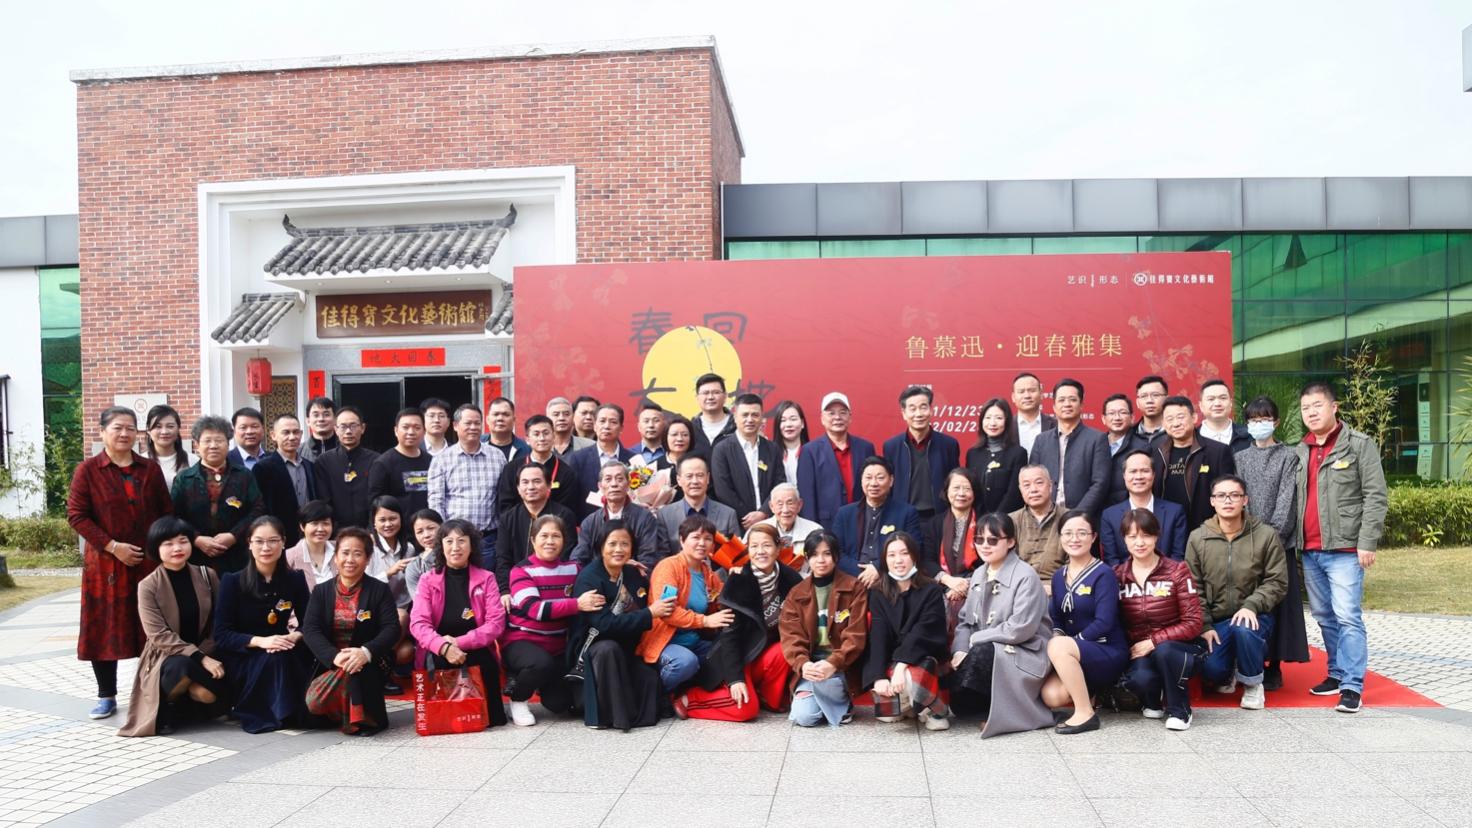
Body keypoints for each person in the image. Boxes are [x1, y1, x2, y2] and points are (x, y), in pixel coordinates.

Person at [68, 405, 173, 720]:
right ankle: (106, 695)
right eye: (117, 427)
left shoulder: (149, 469)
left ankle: (152, 691)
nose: (125, 433)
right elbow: (77, 516)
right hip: (106, 567)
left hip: (147, 563)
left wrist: (159, 550)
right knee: (104, 628)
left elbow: (165, 513)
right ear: (102, 432)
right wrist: (113, 547)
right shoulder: (88, 471)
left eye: (130, 428)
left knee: (151, 626)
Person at [1295, 381, 1388, 714]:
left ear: (1334, 407)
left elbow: (1375, 496)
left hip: (1346, 549)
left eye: (1317, 405)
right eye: (1305, 408)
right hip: (1310, 550)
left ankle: (1352, 685)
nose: (1311, 412)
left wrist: (1367, 542)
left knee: (1348, 616)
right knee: (1324, 615)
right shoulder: (1300, 450)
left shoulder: (1359, 445)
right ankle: (1336, 673)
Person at [676, 524, 801, 720]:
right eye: (754, 546)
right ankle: (691, 698)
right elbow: (729, 636)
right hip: (739, 655)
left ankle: (765, 697)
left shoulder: (790, 578)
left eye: (767, 545)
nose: (760, 551)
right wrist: (735, 679)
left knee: (785, 649)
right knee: (745, 711)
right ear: (748, 550)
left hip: (764, 651)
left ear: (778, 549)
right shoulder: (737, 582)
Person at [117, 516, 229, 737]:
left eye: (183, 541)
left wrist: (207, 651)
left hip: (208, 649)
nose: (177, 548)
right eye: (168, 544)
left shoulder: (207, 575)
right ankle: (169, 707)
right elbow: (159, 635)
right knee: (182, 667)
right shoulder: (148, 586)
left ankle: (188, 698)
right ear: (155, 549)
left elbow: (220, 620)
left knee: (208, 694)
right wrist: (200, 658)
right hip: (167, 655)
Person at [1186, 476, 1288, 711]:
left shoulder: (1265, 535)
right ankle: (1230, 668)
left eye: (1234, 495)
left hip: (1255, 616)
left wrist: (1252, 605)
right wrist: (1205, 625)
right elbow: (1193, 586)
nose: (1228, 501)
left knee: (1244, 628)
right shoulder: (1198, 538)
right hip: (1218, 621)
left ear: (1245, 500)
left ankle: (1252, 683)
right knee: (1211, 670)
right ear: (1212, 501)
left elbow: (1277, 581)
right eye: (1221, 495)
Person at [949, 513, 1054, 737]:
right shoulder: (979, 573)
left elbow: (1020, 629)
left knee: (984, 652)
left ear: (1011, 542)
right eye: (979, 540)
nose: (985, 545)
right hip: (982, 650)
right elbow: (965, 622)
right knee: (959, 704)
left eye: (993, 540)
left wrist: (975, 640)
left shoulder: (1026, 576)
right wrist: (960, 650)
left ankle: (998, 710)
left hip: (1025, 651)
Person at [568, 521, 675, 730]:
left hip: (627, 644)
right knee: (609, 649)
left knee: (648, 677)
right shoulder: (589, 579)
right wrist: (649, 613)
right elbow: (604, 624)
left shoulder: (633, 574)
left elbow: (644, 601)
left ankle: (635, 716)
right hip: (595, 646)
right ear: (601, 546)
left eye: (625, 544)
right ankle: (608, 716)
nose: (619, 549)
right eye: (612, 544)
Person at [212, 516, 313, 733]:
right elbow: (221, 634)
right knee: (275, 658)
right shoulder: (233, 581)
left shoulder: (295, 579)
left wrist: (294, 636)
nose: (266, 548)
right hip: (245, 653)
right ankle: (280, 713)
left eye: (273, 541)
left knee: (286, 656)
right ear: (249, 544)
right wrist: (260, 642)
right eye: (259, 541)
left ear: (283, 542)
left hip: (283, 646)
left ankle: (288, 711)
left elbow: (310, 622)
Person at [408, 520, 509, 728]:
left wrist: (459, 642)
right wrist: (444, 647)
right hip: (438, 649)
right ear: (441, 546)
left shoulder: (486, 578)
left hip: (476, 647)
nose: (455, 547)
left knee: (492, 716)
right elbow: (418, 623)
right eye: (449, 541)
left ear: (472, 546)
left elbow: (495, 624)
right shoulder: (427, 580)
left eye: (462, 541)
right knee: (440, 720)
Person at [1236, 395, 1307, 689]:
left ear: (1275, 422)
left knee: (1278, 604)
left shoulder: (1289, 456)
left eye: (1264, 419)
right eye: (1254, 420)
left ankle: (1275, 664)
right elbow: (1239, 499)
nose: (1259, 424)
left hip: (1279, 545)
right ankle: (1250, 662)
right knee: (1250, 602)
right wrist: (1248, 538)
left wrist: (1270, 538)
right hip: (1247, 545)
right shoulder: (1240, 458)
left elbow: (1286, 502)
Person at [302, 527, 401, 735]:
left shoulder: (379, 590)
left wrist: (365, 652)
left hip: (370, 661)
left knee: (356, 668)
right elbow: (310, 629)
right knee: (313, 703)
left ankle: (361, 718)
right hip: (333, 661)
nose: (350, 559)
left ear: (367, 559)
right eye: (345, 553)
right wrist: (334, 656)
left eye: (357, 554)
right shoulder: (321, 591)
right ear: (335, 557)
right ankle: (347, 711)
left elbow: (392, 628)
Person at [1115, 508, 1204, 731]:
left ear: (1157, 536)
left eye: (1146, 535)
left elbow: (1193, 622)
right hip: (1139, 649)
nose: (1139, 542)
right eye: (1132, 536)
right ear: (1124, 539)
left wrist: (1154, 641)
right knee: (1140, 679)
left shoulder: (1177, 571)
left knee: (1165, 651)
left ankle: (1180, 711)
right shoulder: (1117, 575)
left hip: (1179, 647)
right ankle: (1153, 698)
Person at [1041, 511, 1127, 735]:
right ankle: (1092, 691)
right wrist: (1060, 638)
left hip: (1106, 648)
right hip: (1075, 650)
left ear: (1093, 537)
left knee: (1059, 646)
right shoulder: (1059, 576)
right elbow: (1057, 618)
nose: (1074, 539)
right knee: (1052, 696)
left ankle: (1085, 713)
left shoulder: (1104, 574)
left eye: (1081, 533)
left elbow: (1105, 622)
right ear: (1060, 537)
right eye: (1068, 533)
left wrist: (1071, 643)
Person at [503, 514, 589, 726]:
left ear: (564, 541)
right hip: (521, 641)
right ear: (533, 540)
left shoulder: (574, 569)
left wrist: (623, 565)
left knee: (559, 704)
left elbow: (596, 577)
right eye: (544, 536)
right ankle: (518, 698)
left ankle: (539, 681)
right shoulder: (521, 571)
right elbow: (536, 610)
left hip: (557, 646)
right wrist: (577, 604)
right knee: (540, 663)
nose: (550, 541)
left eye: (556, 536)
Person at [636, 515, 736, 695]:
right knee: (685, 663)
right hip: (664, 643)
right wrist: (705, 621)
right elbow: (667, 612)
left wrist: (737, 577)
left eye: (708, 539)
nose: (702, 543)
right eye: (696, 537)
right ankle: (657, 697)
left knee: (730, 652)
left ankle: (688, 695)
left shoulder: (708, 574)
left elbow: (724, 600)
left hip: (694, 642)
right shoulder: (668, 567)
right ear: (682, 540)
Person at [779, 530, 869, 727]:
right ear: (806, 557)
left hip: (842, 666)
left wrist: (833, 663)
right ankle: (829, 701)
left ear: (836, 556)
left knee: (830, 682)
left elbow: (855, 636)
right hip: (811, 667)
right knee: (804, 718)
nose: (821, 560)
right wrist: (803, 664)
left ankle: (831, 696)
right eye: (814, 554)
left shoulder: (854, 587)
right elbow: (791, 636)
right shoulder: (796, 593)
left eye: (827, 554)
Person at [863, 532, 951, 729]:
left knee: (912, 678)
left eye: (904, 553)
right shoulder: (878, 592)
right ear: (884, 560)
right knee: (887, 716)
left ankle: (930, 709)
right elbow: (878, 635)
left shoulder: (931, 589)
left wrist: (901, 667)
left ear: (914, 556)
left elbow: (924, 632)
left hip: (924, 654)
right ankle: (911, 704)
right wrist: (878, 677)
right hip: (893, 657)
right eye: (892, 555)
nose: (898, 560)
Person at [172, 415, 265, 573]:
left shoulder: (244, 475)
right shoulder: (184, 478)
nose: (213, 446)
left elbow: (258, 509)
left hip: (237, 555)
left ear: (228, 444)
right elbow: (174, 515)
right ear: (197, 445)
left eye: (219, 440)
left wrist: (233, 536)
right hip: (195, 556)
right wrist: (196, 539)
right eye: (207, 441)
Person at [427, 404, 505, 558]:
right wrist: (445, 534)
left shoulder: (497, 456)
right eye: (468, 423)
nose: (473, 427)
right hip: (455, 541)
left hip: (488, 539)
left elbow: (503, 496)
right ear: (455, 426)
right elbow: (436, 501)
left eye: (477, 423)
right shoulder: (442, 460)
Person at [1028, 378, 1111, 519]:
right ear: (1054, 406)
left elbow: (1100, 484)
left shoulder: (1097, 439)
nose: (1067, 404)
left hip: (1083, 519)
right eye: (1061, 400)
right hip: (1046, 517)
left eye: (1072, 399)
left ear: (1081, 405)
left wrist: (1078, 515)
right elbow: (1033, 479)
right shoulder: (1041, 440)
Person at [832, 456, 922, 585]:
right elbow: (836, 551)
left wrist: (878, 568)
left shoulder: (906, 513)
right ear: (861, 481)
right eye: (868, 478)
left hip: (891, 579)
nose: (873, 483)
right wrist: (863, 573)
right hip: (852, 579)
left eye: (880, 478)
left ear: (891, 481)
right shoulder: (845, 513)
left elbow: (914, 548)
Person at [1151, 395, 1236, 531]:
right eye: (1169, 419)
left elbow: (1227, 492)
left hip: (1205, 528)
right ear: (1163, 423)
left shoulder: (1217, 452)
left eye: (1180, 417)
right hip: (1164, 527)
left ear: (1194, 418)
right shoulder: (1155, 452)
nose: (1176, 423)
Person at [493, 464, 580, 593]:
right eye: (525, 482)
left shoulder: (563, 515)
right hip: (517, 585)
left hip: (555, 583)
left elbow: (566, 554)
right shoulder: (508, 518)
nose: (531, 487)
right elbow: (503, 558)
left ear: (549, 485)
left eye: (537, 481)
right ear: (518, 488)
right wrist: (505, 590)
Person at [796, 391, 876, 528]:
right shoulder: (809, 451)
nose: (837, 417)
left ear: (850, 417)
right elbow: (807, 496)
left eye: (843, 412)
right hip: (826, 525)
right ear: (822, 418)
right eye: (831, 413)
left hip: (862, 522)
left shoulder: (865, 448)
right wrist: (812, 530)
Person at [882, 385, 960, 521]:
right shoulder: (891, 447)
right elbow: (888, 486)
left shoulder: (949, 445)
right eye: (912, 409)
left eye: (923, 407)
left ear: (931, 410)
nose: (918, 414)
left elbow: (954, 482)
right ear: (904, 413)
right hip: (903, 517)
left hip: (939, 517)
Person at [572, 460, 665, 570]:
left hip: (634, 576)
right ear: (600, 486)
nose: (614, 484)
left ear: (628, 484)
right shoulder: (590, 522)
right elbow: (578, 558)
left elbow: (648, 560)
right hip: (597, 577)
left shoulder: (645, 518)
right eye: (608, 479)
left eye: (620, 479)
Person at [1100, 451, 1188, 565]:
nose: (1139, 476)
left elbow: (1177, 557)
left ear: (1153, 475)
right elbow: (1112, 561)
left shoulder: (1175, 512)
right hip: (1124, 576)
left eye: (1145, 471)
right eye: (1133, 471)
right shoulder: (1110, 516)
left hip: (1168, 575)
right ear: (1124, 476)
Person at [711, 393, 785, 529]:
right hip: (736, 524)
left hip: (770, 521)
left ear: (761, 418)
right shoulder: (722, 449)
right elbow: (723, 490)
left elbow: (779, 483)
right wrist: (748, 517)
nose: (750, 420)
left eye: (755, 415)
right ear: (735, 417)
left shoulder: (772, 448)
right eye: (745, 415)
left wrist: (763, 512)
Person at [367, 495, 417, 686]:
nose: (388, 524)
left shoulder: (408, 548)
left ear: (401, 519)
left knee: (407, 651)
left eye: (393, 518)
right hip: (372, 611)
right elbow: (362, 584)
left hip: (400, 612)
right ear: (374, 522)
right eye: (382, 520)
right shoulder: (368, 546)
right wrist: (389, 572)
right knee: (401, 616)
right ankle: (381, 668)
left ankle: (379, 666)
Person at [920, 468, 981, 614]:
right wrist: (949, 581)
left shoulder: (985, 522)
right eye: (956, 488)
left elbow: (990, 560)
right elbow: (927, 560)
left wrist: (965, 585)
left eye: (967, 489)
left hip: (978, 584)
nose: (961, 493)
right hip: (941, 585)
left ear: (974, 492)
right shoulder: (934, 524)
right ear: (947, 491)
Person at [495, 414, 581, 516]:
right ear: (527, 439)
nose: (542, 438)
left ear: (554, 436)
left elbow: (567, 509)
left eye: (546, 433)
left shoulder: (566, 472)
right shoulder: (511, 469)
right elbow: (505, 506)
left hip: (554, 524)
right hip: (518, 523)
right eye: (536, 434)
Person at [655, 455, 741, 556]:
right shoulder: (665, 515)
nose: (695, 481)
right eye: (689, 476)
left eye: (700, 475)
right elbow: (662, 556)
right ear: (679, 480)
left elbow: (735, 556)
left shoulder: (728, 514)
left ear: (708, 478)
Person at [312, 406, 381, 531]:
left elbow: (377, 499)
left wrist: (371, 530)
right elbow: (323, 501)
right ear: (335, 429)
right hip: (334, 532)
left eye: (353, 426)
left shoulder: (376, 460)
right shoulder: (324, 462)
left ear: (363, 428)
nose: (348, 431)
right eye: (343, 427)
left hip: (369, 531)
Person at [253, 413, 316, 547]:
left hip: (309, 535)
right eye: (286, 432)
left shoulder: (309, 466)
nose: (292, 437)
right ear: (273, 435)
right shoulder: (263, 468)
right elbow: (260, 508)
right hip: (279, 535)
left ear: (301, 434)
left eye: (296, 432)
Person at [964, 398, 1027, 515]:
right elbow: (970, 489)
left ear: (1007, 421)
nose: (992, 423)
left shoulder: (1018, 453)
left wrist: (997, 519)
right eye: (988, 418)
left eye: (998, 418)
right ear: (981, 421)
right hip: (978, 519)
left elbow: (1014, 493)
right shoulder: (973, 454)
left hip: (1007, 518)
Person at [1008, 465, 1067, 588]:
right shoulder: (1011, 520)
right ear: (1020, 490)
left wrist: (1058, 588)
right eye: (1026, 485)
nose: (1033, 489)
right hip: (1019, 588)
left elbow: (1077, 563)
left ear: (1050, 486)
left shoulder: (1069, 519)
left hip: (1057, 587)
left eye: (1039, 483)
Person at [566, 403, 636, 505]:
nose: (607, 426)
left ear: (621, 428)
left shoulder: (633, 459)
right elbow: (572, 497)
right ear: (595, 426)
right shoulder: (578, 458)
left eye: (613, 422)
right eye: (602, 421)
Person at [368, 407, 431, 517]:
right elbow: (375, 503)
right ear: (396, 431)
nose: (411, 432)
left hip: (426, 524)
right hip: (398, 525)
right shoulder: (383, 463)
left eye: (417, 428)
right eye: (405, 427)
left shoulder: (431, 461)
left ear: (424, 431)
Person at [752, 483, 822, 563]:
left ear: (799, 505)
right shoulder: (757, 531)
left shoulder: (815, 530)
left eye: (790, 503)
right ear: (771, 506)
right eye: (780, 504)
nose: (785, 510)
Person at [1101, 393, 1151, 506]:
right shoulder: (1094, 444)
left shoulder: (1142, 447)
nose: (1117, 418)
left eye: (1123, 412)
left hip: (1127, 509)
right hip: (1096, 509)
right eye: (1111, 413)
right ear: (1104, 419)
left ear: (1132, 418)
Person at [286, 499, 336, 585]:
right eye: (314, 523)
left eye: (325, 523)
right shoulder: (289, 558)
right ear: (302, 526)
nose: (320, 529)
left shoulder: (341, 548)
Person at [140, 404, 190, 489]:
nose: (164, 432)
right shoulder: (140, 462)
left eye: (170, 426)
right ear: (148, 430)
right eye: (158, 426)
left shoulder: (193, 461)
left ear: (178, 428)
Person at [1197, 379, 1252, 452]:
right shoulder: (1190, 440)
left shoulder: (1249, 436)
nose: (1217, 403)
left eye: (1223, 398)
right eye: (1211, 399)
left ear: (1231, 403)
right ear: (1201, 406)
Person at [689, 372, 736, 454]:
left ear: (725, 396)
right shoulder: (690, 429)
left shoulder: (738, 426)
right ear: (697, 397)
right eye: (705, 393)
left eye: (716, 392)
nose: (710, 397)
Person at [403, 508, 443, 600]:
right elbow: (420, 601)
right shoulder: (414, 567)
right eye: (420, 532)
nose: (426, 535)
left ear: (442, 527)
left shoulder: (456, 556)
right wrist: (429, 559)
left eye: (431, 528)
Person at [1011, 372, 1057, 455]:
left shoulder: (1056, 425)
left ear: (1041, 394)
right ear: (1013, 397)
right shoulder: (1005, 427)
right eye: (1021, 392)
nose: (1027, 396)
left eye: (1032, 390)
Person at [656, 414, 697, 504]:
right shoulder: (654, 466)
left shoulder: (698, 464)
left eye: (685, 435)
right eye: (674, 434)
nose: (679, 439)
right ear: (665, 437)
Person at [772, 400, 809, 486]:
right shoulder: (770, 454)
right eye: (783, 420)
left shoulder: (813, 453)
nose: (788, 424)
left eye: (793, 419)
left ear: (802, 423)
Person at [485, 396, 531, 463]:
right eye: (496, 414)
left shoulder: (526, 449)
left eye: (506, 414)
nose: (500, 418)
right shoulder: (477, 445)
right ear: (487, 420)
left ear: (514, 420)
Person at [227, 406, 267, 472]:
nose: (249, 432)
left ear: (263, 430)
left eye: (254, 426)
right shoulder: (225, 461)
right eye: (243, 427)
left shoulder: (274, 458)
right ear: (234, 431)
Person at [300, 396, 339, 462]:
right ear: (308, 421)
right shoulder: (298, 452)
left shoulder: (346, 448)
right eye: (316, 415)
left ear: (335, 420)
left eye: (326, 414)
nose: (321, 419)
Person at [1133, 375, 1169, 444]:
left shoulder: (1177, 432)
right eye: (1144, 396)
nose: (1149, 400)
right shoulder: (1128, 435)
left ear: (1167, 399)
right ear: (1137, 402)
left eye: (1155, 395)